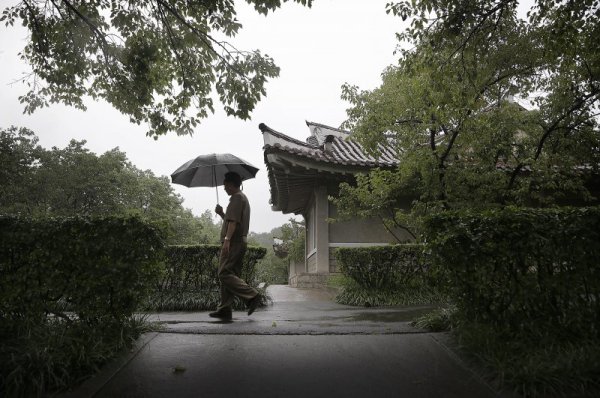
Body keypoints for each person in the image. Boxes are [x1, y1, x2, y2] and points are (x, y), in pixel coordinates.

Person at [210, 171, 261, 320]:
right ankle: (225, 309)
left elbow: (233, 223)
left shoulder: (237, 198)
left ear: (232, 184)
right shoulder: (241, 198)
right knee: (230, 275)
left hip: (234, 242)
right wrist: (221, 214)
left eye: (225, 185)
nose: (224, 188)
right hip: (239, 241)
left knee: (224, 273)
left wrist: (227, 240)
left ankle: (252, 296)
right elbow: (231, 219)